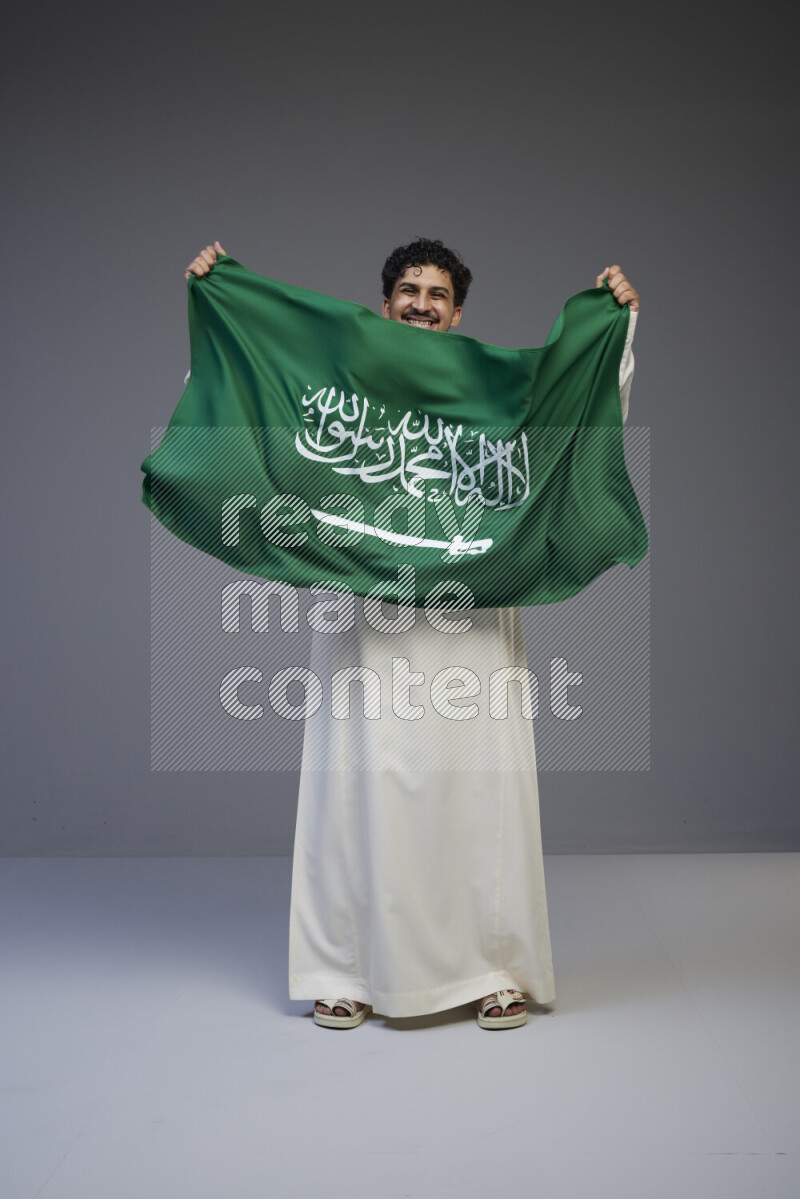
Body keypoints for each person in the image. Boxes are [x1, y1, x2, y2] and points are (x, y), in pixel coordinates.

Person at [185, 239, 640, 1029]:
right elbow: (254, 392)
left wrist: (616, 332)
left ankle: (495, 968)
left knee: (479, 794)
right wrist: (219, 306)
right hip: (372, 623)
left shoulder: (499, 401)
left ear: (456, 312)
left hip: (472, 623)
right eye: (407, 289)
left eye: (436, 293)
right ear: (385, 303)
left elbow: (581, 419)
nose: (421, 303)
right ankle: (346, 970)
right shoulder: (339, 389)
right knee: (357, 791)